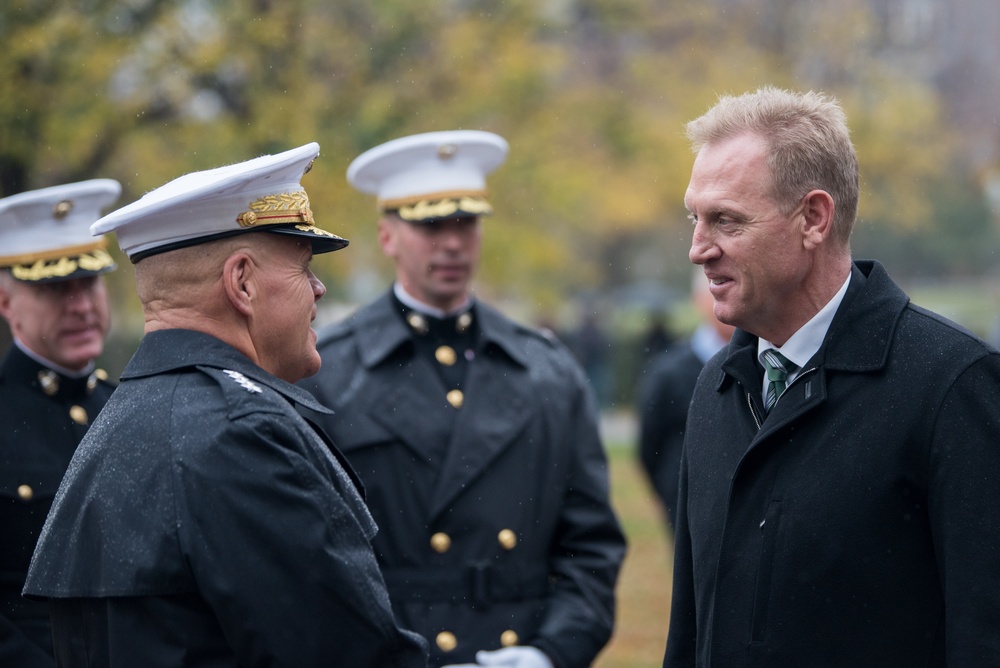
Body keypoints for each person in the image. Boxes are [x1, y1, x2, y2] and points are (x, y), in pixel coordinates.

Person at [23, 143, 429, 667]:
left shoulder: (117, 422)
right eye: (303, 266)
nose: (319, 288)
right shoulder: (242, 434)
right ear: (241, 283)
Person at [664, 86, 1000, 667]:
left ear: (814, 219)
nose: (697, 249)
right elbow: (691, 634)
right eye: (695, 217)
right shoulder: (718, 384)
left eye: (725, 220)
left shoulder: (951, 385)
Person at [298, 130, 626, 668]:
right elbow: (310, 559)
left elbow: (590, 546)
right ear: (386, 236)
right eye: (430, 224)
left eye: (465, 222)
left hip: (517, 644)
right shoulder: (326, 370)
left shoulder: (545, 368)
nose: (452, 243)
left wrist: (551, 652)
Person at [0, 179, 121, 667]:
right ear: (6, 303)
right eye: (54, 287)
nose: (80, 306)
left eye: (89, 281)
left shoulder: (126, 406)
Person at [637, 268, 733, 532]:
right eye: (716, 287)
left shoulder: (768, 364)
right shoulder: (668, 371)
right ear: (698, 299)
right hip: (687, 508)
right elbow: (650, 445)